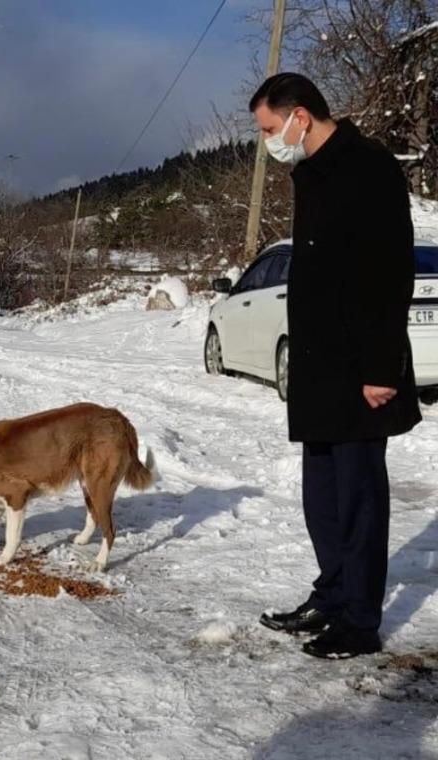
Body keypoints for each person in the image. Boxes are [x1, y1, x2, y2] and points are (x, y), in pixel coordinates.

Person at [249, 72, 421, 659]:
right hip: (319, 365)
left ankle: (361, 621)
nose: (269, 141)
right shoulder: (311, 172)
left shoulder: (367, 165)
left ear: (300, 115)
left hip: (359, 366)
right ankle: (332, 593)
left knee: (359, 499)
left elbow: (390, 268)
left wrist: (382, 365)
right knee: (322, 495)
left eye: (270, 128)